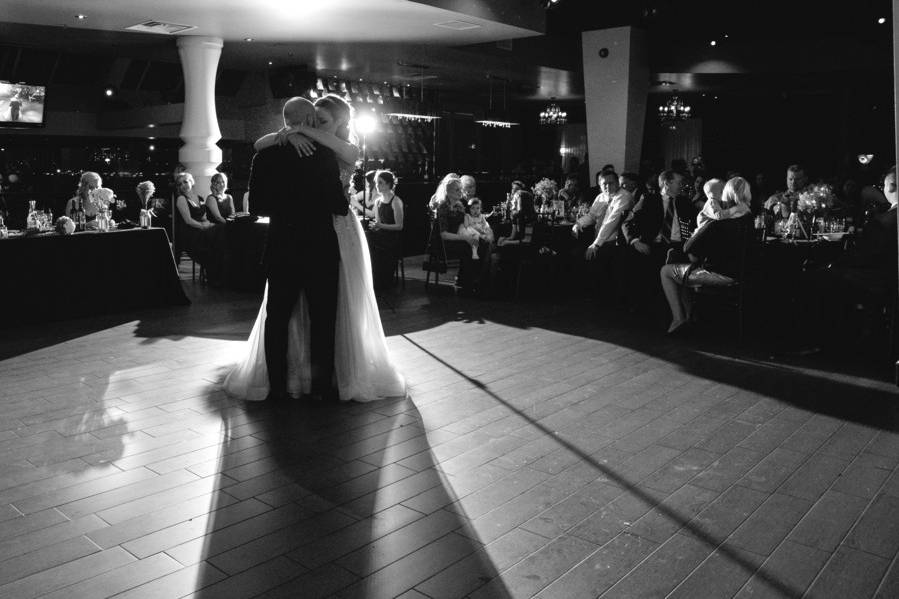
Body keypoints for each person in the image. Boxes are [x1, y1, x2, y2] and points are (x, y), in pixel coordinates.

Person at [224, 94, 405, 403]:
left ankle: (284, 385)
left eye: (322, 122)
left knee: (286, 315)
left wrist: (295, 132)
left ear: (340, 123)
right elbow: (335, 201)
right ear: (305, 120)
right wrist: (292, 135)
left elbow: (258, 203)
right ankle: (319, 385)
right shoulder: (316, 155)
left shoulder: (335, 150)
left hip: (317, 235)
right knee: (319, 315)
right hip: (322, 237)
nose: (316, 126)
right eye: (314, 120)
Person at [660, 176, 753, 334]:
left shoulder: (717, 222)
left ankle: (679, 318)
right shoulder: (748, 218)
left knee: (666, 271)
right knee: (682, 267)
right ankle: (690, 316)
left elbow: (689, 247)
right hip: (742, 273)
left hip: (720, 274)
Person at [173, 172, 223, 282]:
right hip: (190, 234)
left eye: (185, 182)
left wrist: (210, 224)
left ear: (191, 181)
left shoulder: (200, 198)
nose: (183, 185)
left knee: (219, 233)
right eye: (180, 184)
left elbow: (204, 218)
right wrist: (204, 227)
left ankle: (217, 273)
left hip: (201, 231)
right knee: (214, 240)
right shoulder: (181, 199)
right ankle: (213, 274)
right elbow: (188, 221)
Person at [368, 169, 405, 292]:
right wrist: (376, 226)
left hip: (392, 239)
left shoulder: (396, 201)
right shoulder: (378, 201)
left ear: (389, 184)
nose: (377, 185)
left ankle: (382, 281)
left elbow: (399, 226)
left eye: (380, 183)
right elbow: (379, 223)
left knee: (373, 245)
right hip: (381, 235)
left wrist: (380, 226)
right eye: (377, 182)